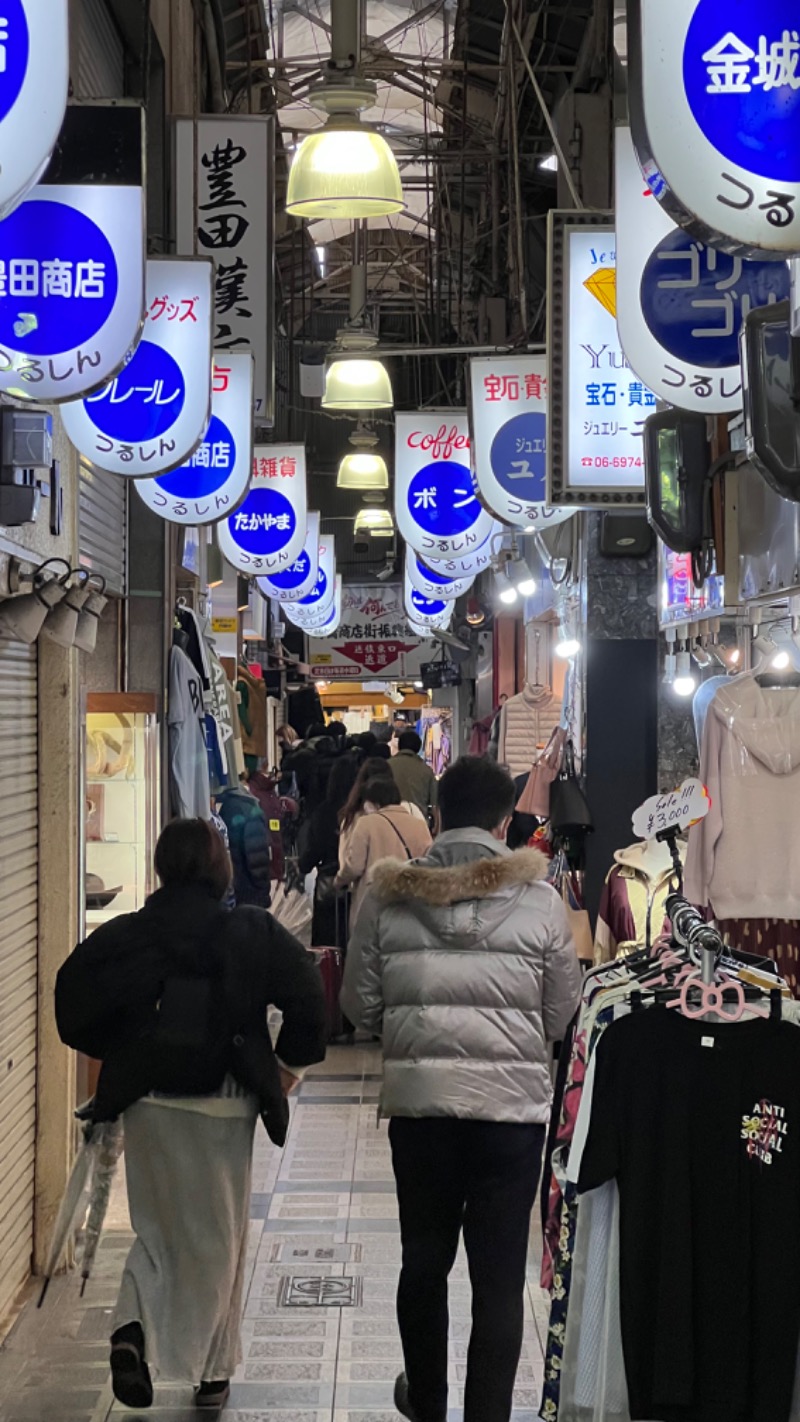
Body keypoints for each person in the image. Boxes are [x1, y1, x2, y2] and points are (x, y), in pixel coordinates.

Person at [56, 818, 327, 1413]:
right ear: (219, 868)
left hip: (150, 1100)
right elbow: (309, 993)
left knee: (155, 1228)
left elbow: (71, 995)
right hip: (225, 1104)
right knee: (219, 1240)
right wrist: (286, 1069)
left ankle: (133, 1329)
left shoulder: (132, 933)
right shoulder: (249, 930)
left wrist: (122, 1047)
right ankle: (210, 1373)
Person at [341, 756, 582, 1422]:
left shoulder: (390, 898)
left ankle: (428, 1403)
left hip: (422, 1114)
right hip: (512, 1116)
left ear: (439, 816)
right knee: (498, 1280)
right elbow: (564, 1016)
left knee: (423, 1262)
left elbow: (357, 1005)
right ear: (507, 820)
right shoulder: (541, 905)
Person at [336, 776, 432, 929]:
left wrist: (339, 880)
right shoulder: (419, 825)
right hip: (410, 906)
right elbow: (429, 863)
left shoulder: (366, 823)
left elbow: (354, 866)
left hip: (372, 904)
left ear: (371, 803)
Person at [297, 755, 359, 946]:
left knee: (327, 944)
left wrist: (302, 866)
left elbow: (313, 852)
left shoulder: (323, 812)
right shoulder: (361, 813)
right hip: (356, 884)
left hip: (328, 885)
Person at [216, 778, 272, 907]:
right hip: (250, 891)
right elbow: (257, 856)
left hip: (233, 888)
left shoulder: (226, 808)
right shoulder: (251, 811)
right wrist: (263, 889)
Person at [390, 730, 438, 819]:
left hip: (390, 821)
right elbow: (434, 803)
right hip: (419, 821)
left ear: (400, 746)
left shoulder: (387, 766)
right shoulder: (426, 770)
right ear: (418, 747)